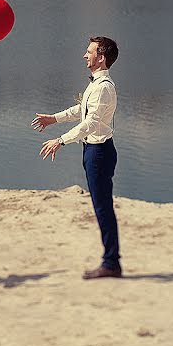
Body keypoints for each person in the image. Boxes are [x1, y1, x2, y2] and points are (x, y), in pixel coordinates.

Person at [31, 37, 122, 280]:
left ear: (101, 58)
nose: (85, 55)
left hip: (100, 153)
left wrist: (60, 140)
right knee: (101, 205)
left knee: (103, 207)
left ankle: (111, 263)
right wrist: (53, 118)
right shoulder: (97, 85)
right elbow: (81, 110)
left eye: (89, 51)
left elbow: (90, 123)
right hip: (93, 151)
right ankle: (110, 261)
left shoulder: (104, 87)